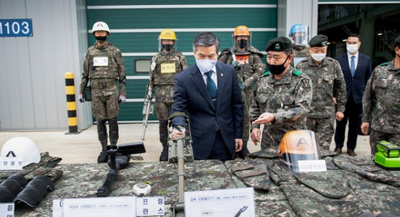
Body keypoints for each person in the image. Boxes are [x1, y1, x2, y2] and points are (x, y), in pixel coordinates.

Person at [170, 32, 243, 162]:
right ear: (194, 54)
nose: (206, 60)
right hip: (200, 141)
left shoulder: (229, 72)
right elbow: (179, 108)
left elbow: (237, 105)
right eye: (201, 56)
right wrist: (179, 126)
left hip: (226, 137)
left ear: (217, 54)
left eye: (211, 56)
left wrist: (238, 135)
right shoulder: (183, 78)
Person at [250, 37, 313, 149]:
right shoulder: (262, 80)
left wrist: (274, 117)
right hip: (269, 142)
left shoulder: (301, 80)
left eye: (277, 58)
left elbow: (302, 110)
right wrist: (255, 127)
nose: (272, 62)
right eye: (269, 57)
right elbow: (255, 106)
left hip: (294, 141)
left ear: (289, 58)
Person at [79, 21, 126, 163]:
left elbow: (122, 74)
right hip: (96, 91)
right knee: (100, 121)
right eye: (98, 32)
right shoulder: (90, 52)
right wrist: (81, 91)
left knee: (113, 120)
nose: (100, 34)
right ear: (94, 34)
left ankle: (113, 147)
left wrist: (122, 92)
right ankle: (104, 149)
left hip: (111, 90)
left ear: (107, 34)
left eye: (102, 32)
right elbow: (85, 74)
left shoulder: (115, 51)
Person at [218, 25, 265, 158]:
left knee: (246, 119)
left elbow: (260, 70)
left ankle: (243, 146)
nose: (242, 39)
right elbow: (218, 68)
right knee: (230, 118)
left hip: (248, 93)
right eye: (239, 37)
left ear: (248, 38)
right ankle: (230, 145)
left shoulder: (253, 54)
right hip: (230, 92)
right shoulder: (228, 54)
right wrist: (229, 70)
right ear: (234, 38)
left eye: (244, 37)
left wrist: (248, 82)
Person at [296, 35, 347, 152]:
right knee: (305, 149)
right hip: (306, 115)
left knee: (323, 149)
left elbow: (341, 88)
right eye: (316, 51)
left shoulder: (333, 65)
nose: (319, 53)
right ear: (310, 50)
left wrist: (340, 109)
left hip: (326, 115)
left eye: (322, 51)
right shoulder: (301, 66)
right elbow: (295, 89)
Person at [148, 29, 188, 161]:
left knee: (178, 121)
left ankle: (178, 147)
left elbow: (186, 76)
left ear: (174, 42)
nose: (167, 43)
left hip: (177, 95)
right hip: (161, 96)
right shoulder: (156, 58)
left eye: (170, 40)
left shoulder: (180, 57)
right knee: (162, 123)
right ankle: (165, 148)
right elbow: (151, 77)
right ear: (161, 42)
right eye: (165, 40)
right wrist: (149, 92)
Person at [334, 33, 372, 156]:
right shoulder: (338, 60)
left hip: (358, 98)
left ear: (359, 44)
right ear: (346, 44)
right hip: (342, 98)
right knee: (340, 124)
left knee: (354, 125)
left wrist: (367, 98)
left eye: (354, 43)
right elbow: (335, 80)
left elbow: (368, 80)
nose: (351, 45)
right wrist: (335, 95)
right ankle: (338, 146)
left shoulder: (366, 60)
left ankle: (351, 147)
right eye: (349, 43)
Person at [361, 35, 400, 155]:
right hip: (379, 128)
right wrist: (365, 119)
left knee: (395, 166)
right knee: (376, 162)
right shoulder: (380, 71)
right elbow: (368, 96)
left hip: (398, 131)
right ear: (397, 50)